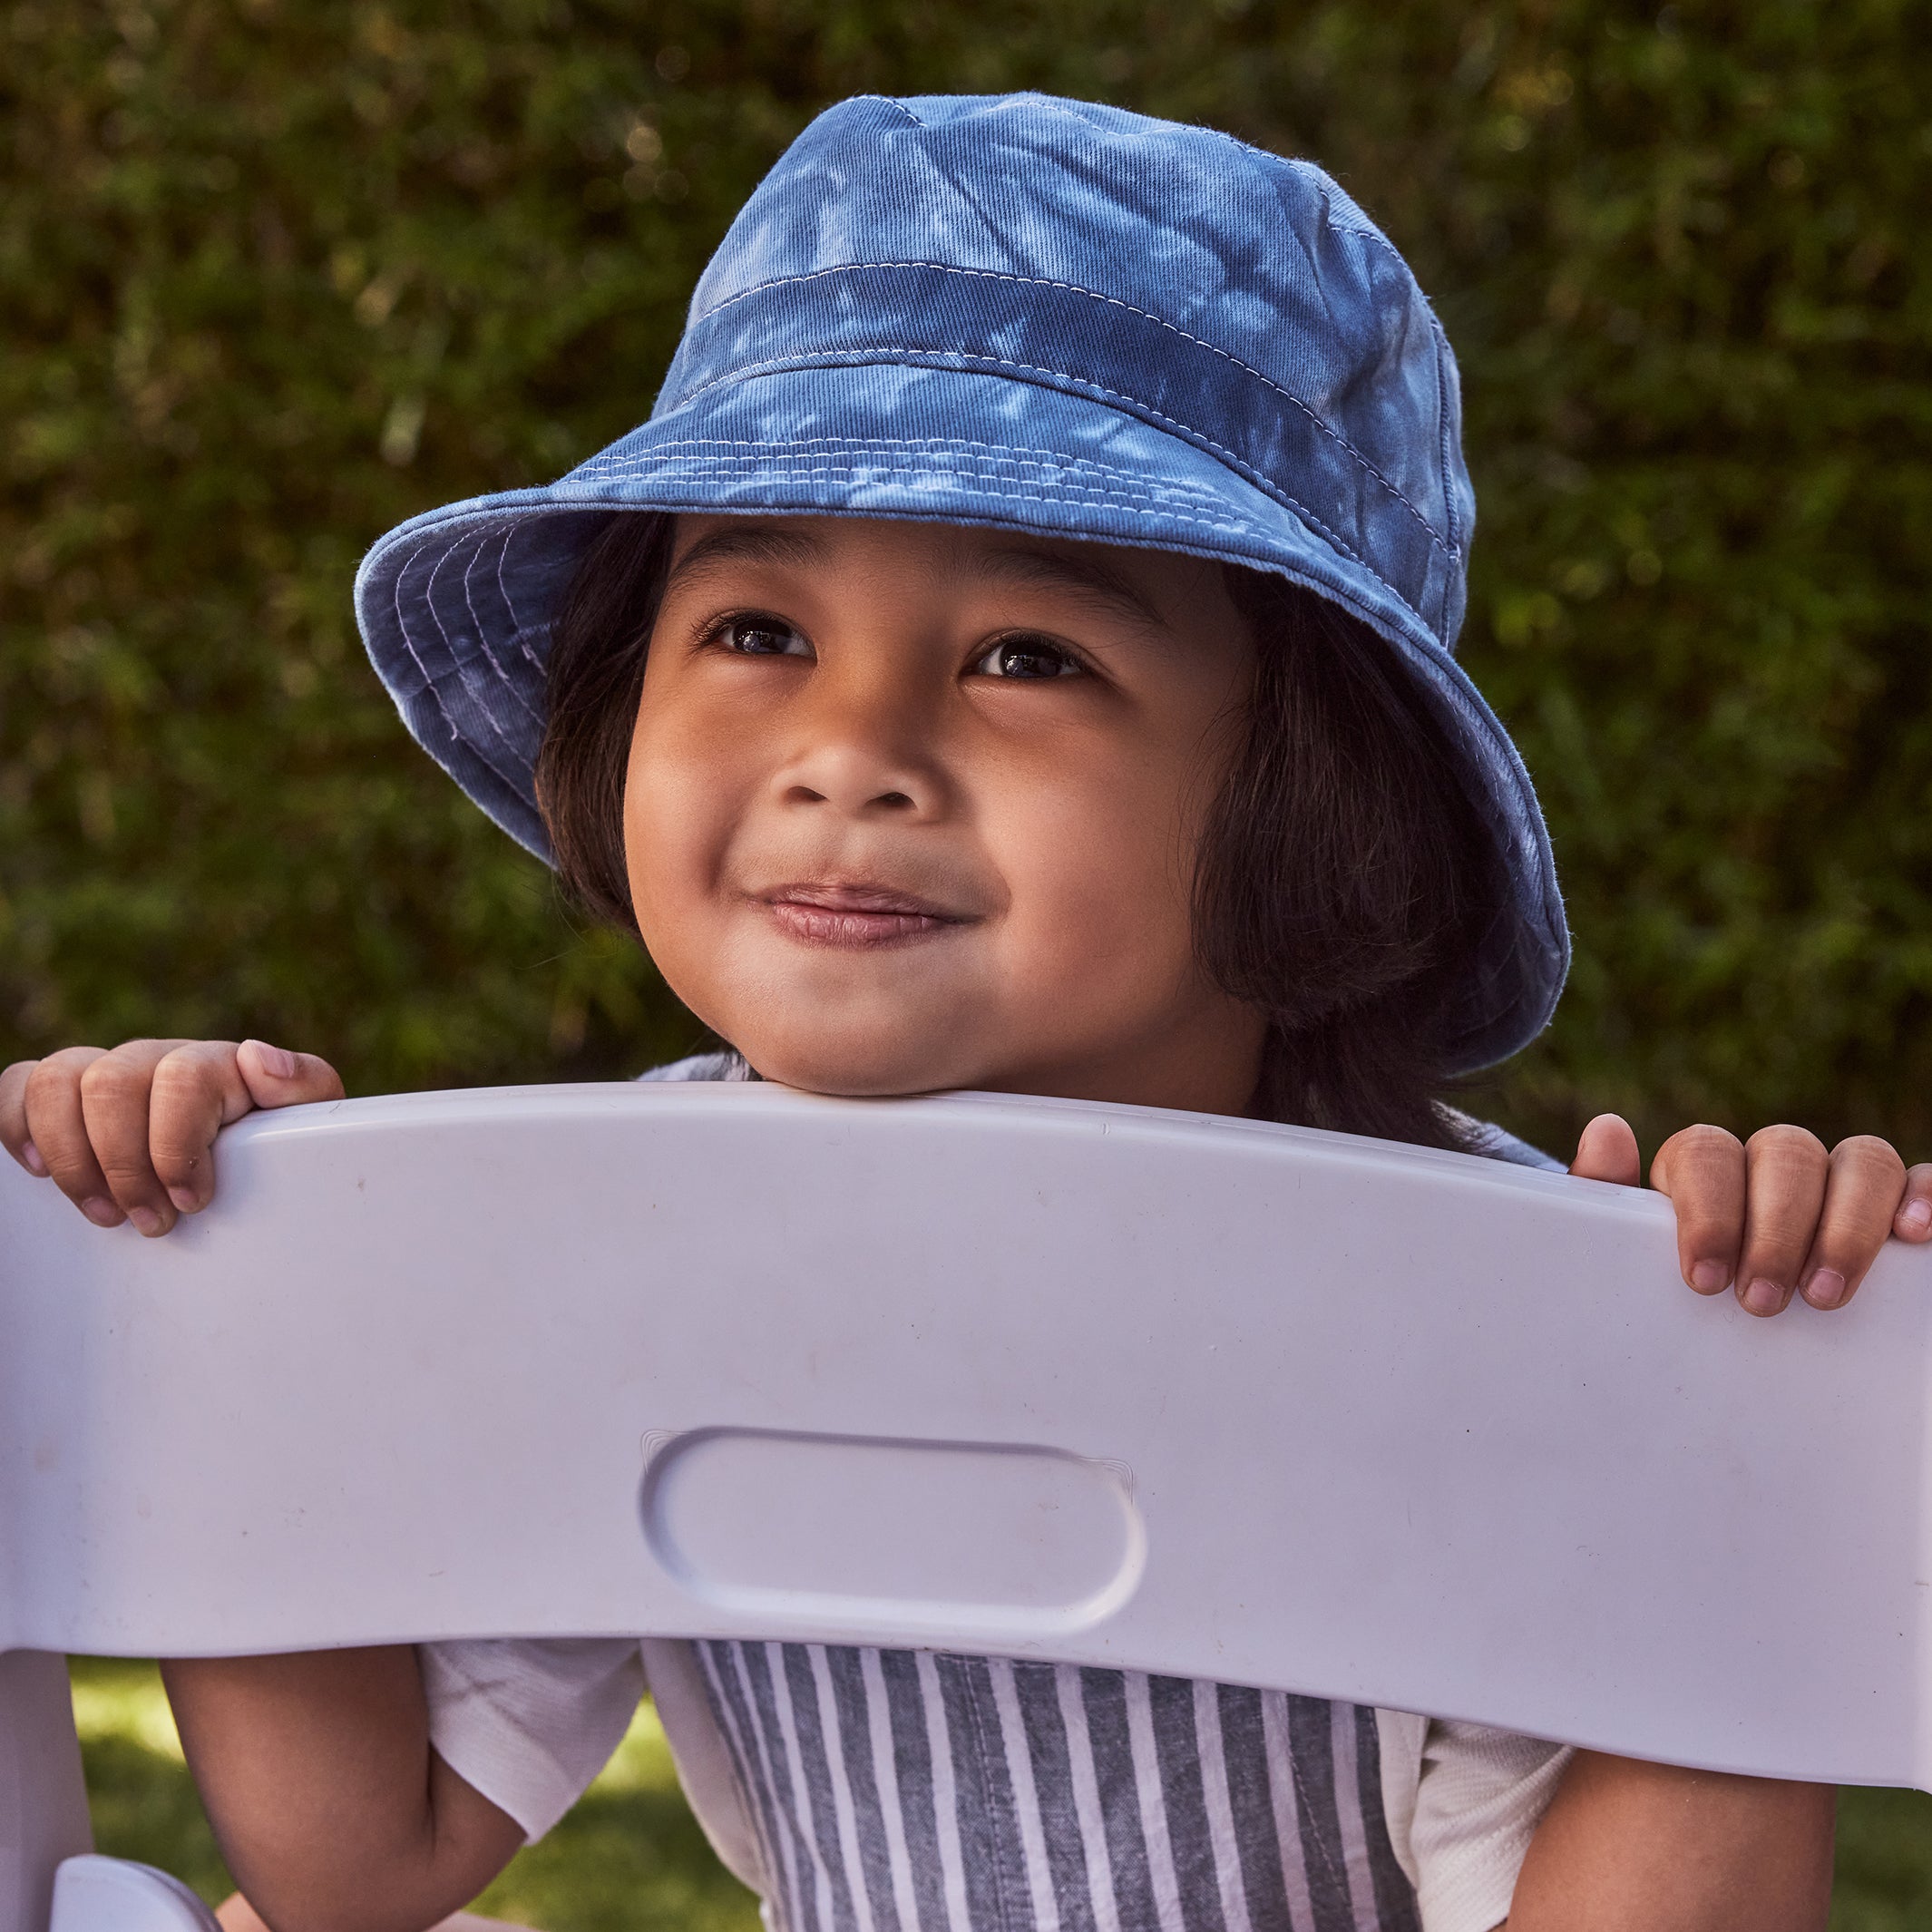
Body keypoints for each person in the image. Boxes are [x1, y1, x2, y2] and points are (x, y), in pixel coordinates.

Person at [4, 93, 1928, 1932]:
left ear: (1304, 788)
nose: (854, 754)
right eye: (758, 631)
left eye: (1029, 652)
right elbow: (359, 1863)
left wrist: (1737, 1438)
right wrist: (218, 1311)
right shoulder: (594, 1229)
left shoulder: (1490, 1306)